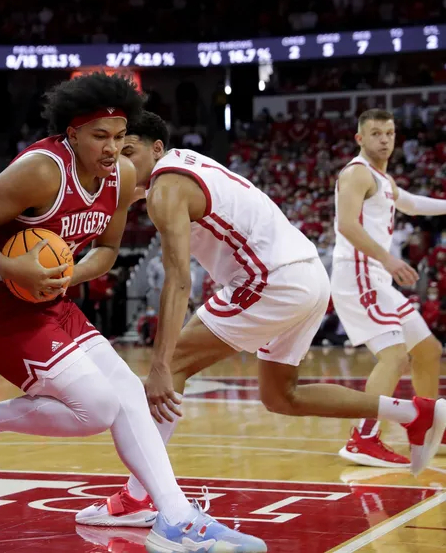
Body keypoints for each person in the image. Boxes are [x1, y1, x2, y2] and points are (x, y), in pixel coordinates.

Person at [0, 73, 267, 553]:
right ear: (72, 134)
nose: (112, 147)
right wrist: (15, 268)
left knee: (128, 395)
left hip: (51, 299)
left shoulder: (123, 175)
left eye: (119, 136)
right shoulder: (41, 169)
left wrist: (65, 275)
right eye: (100, 136)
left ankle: (175, 520)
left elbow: (108, 251)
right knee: (95, 409)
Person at [76, 111, 446, 528]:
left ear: (156, 149)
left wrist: (161, 363)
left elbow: (178, 279)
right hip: (308, 276)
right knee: (281, 396)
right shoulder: (181, 166)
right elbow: (118, 198)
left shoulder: (166, 188)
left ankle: (137, 497)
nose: (121, 161)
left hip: (271, 279)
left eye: (128, 151)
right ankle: (414, 413)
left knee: (173, 364)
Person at [331, 108, 446, 467]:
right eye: (376, 133)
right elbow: (346, 224)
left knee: (428, 350)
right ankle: (362, 439)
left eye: (390, 133)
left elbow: (413, 204)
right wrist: (389, 259)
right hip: (358, 273)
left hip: (375, 275)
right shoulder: (356, 173)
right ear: (360, 138)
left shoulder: (384, 180)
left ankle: (428, 427)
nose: (384, 140)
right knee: (395, 356)